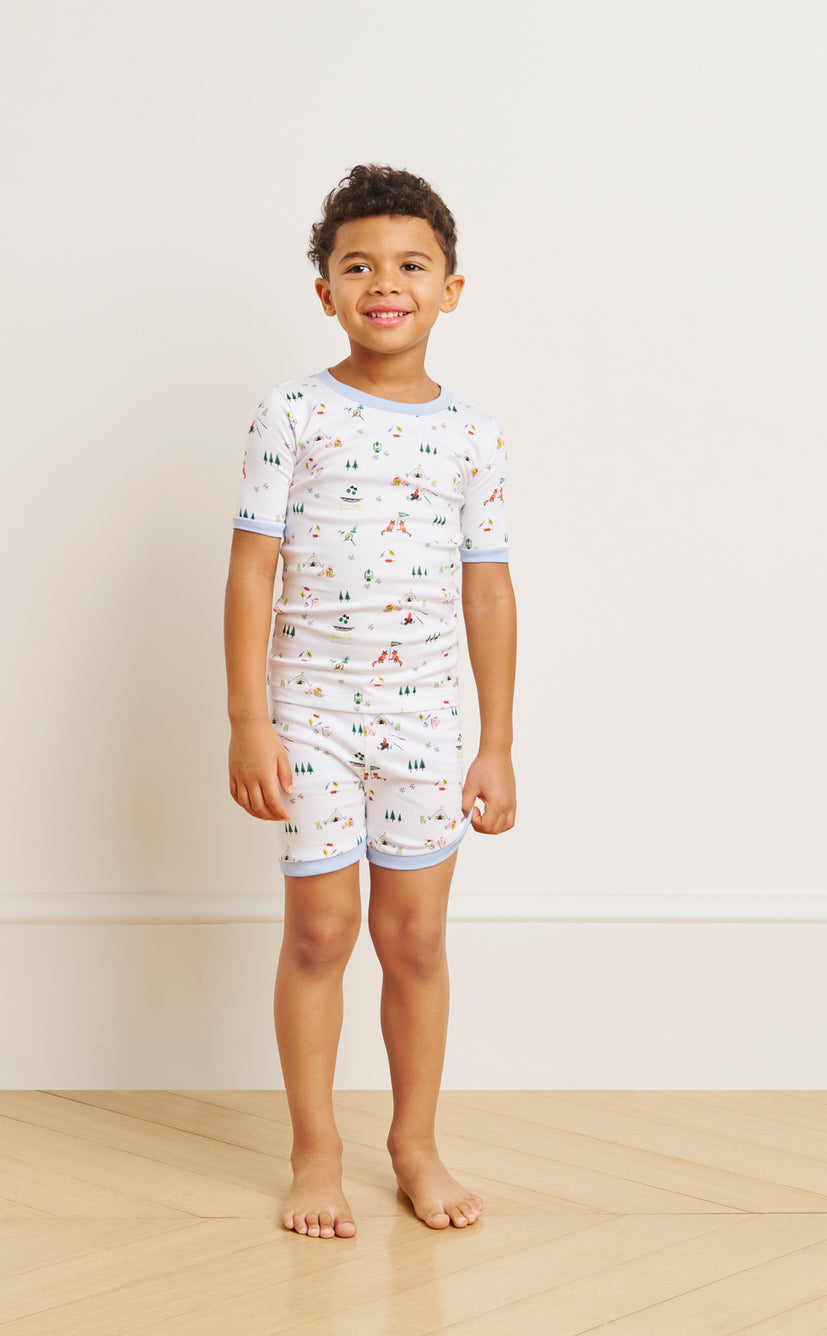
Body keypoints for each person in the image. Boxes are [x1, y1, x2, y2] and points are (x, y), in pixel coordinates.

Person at [224, 163, 517, 1239]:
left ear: (449, 288)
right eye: (357, 266)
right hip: (308, 716)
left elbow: (486, 588)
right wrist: (248, 719)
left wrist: (497, 744)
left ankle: (414, 1142)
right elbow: (251, 568)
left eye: (409, 265)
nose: (382, 283)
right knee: (320, 933)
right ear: (325, 291)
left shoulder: (473, 436)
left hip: (426, 722)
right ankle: (315, 1152)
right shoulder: (293, 413)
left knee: (417, 941)